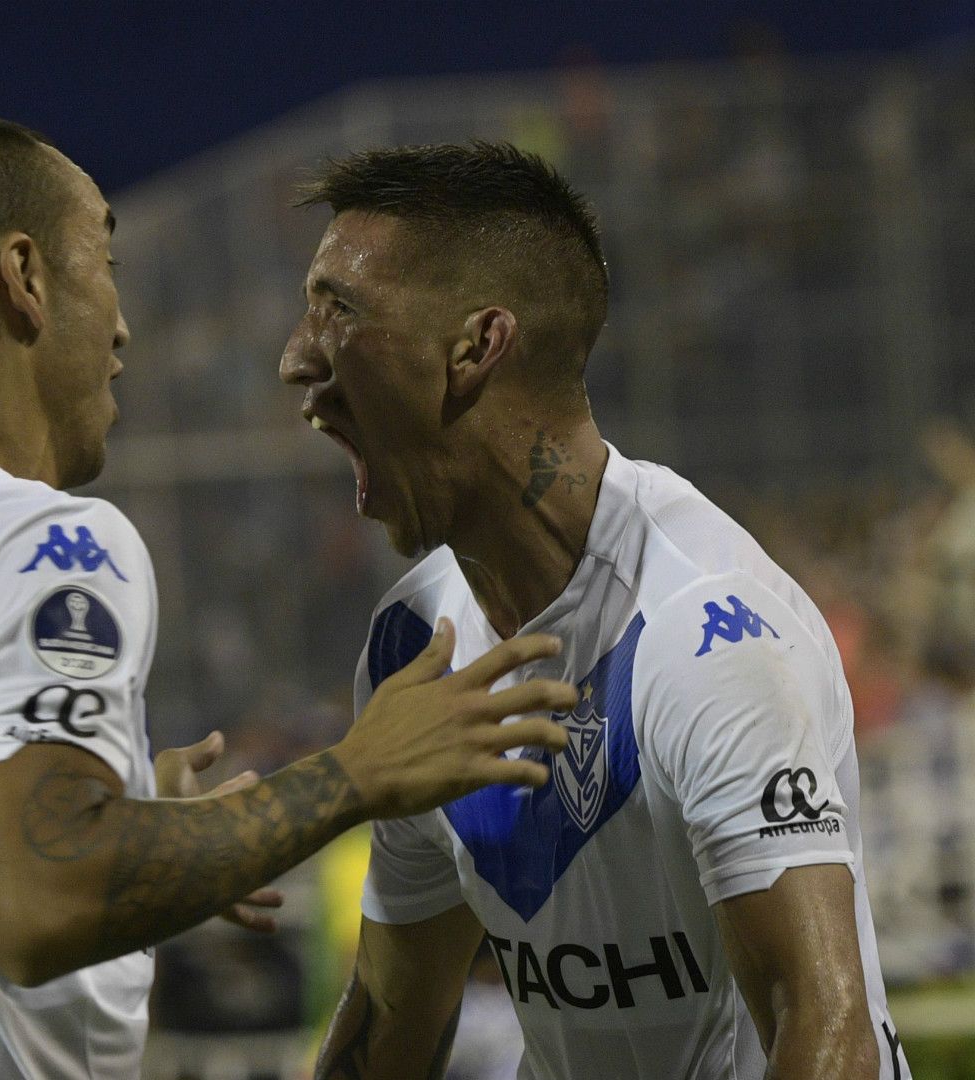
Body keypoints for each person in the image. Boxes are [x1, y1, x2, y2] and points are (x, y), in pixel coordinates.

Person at [0, 115, 580, 1080]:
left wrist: (153, 825)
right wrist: (357, 773)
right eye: (101, 260)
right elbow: (40, 902)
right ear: (21, 279)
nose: (121, 324)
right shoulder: (46, 542)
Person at [280, 142, 905, 1079]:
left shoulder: (706, 629)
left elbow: (827, 1034)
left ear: (476, 346)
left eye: (340, 311)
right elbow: (394, 1014)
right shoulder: (416, 640)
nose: (297, 360)